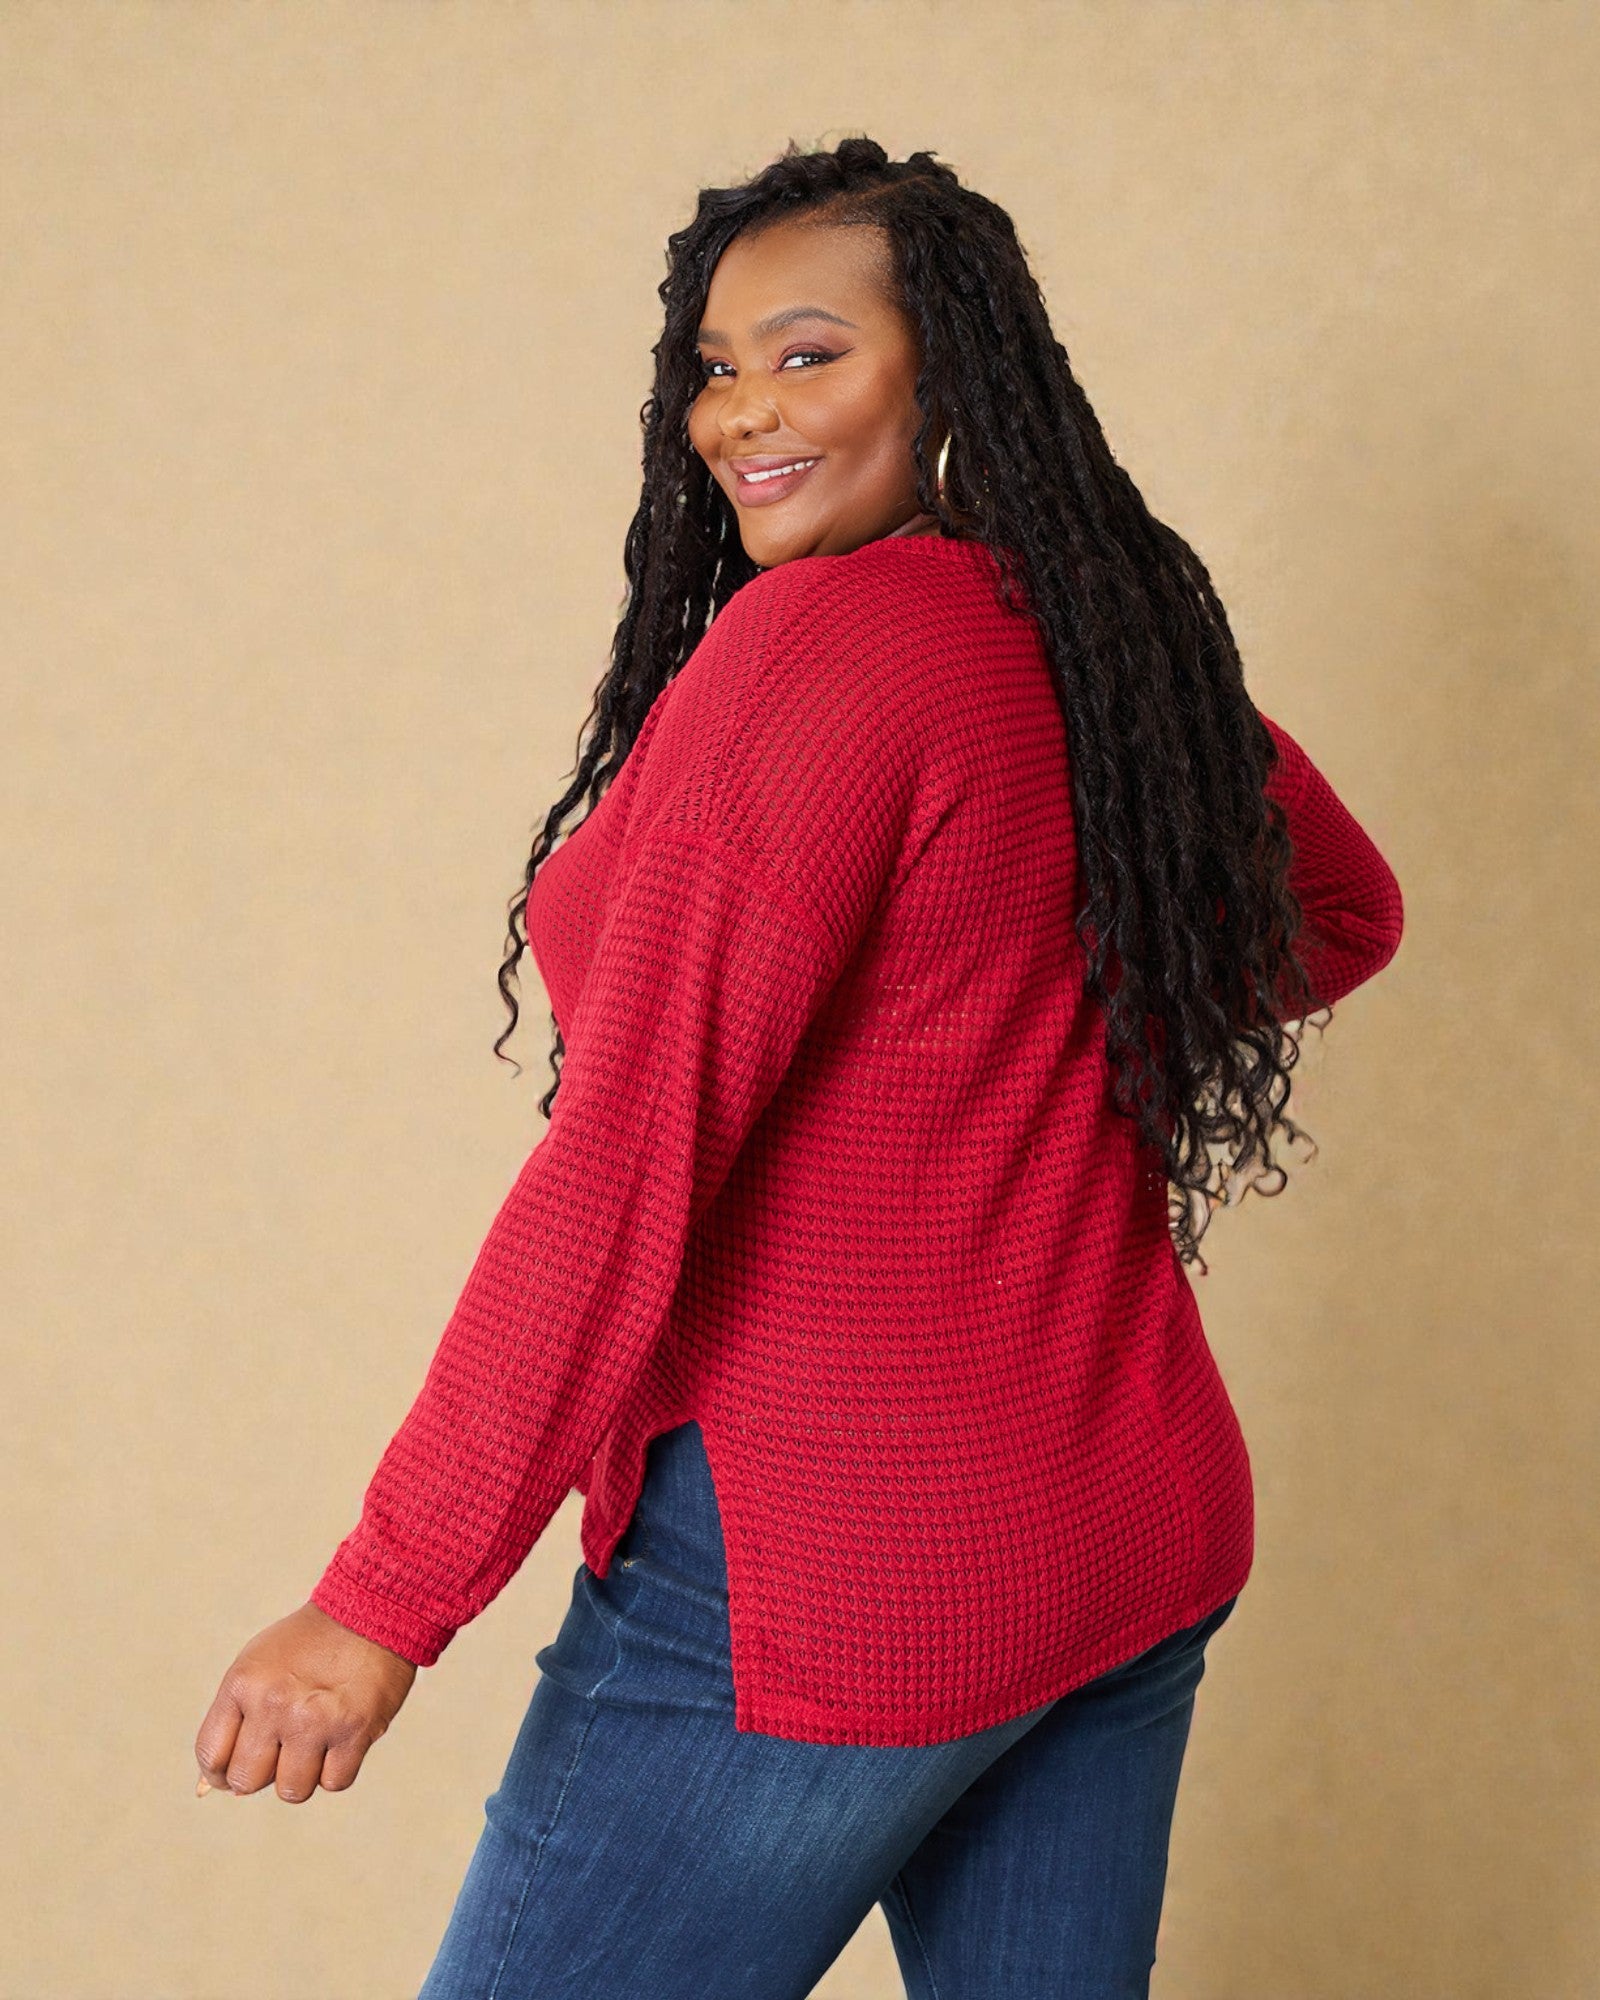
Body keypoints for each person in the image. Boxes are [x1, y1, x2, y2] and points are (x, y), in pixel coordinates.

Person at [194, 137, 1404, 1997]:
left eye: (812, 352)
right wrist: (1000, 1036)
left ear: (955, 377)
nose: (743, 409)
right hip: (1127, 1520)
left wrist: (383, 1601)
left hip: (831, 1577)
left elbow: (623, 1172)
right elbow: (1337, 908)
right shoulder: (1101, 637)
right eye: (715, 364)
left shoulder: (811, 657)